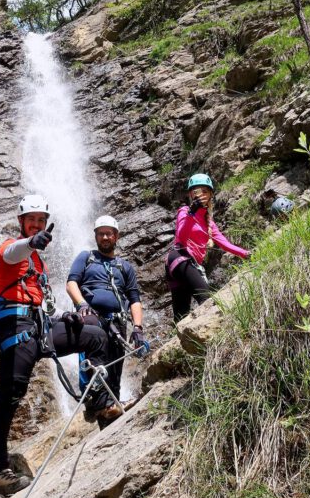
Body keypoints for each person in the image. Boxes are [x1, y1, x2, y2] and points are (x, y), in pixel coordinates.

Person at [0, 194, 121, 495]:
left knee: (95, 333)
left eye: (40, 220)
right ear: (22, 222)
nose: (36, 224)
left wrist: (69, 316)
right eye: (31, 220)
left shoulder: (37, 264)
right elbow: (14, 252)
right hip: (16, 329)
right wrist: (32, 242)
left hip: (40, 327)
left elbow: (45, 305)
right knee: (11, 393)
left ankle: (99, 404)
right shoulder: (11, 248)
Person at [66, 215, 149, 427]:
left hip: (118, 323)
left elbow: (134, 299)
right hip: (91, 318)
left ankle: (110, 422)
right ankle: (95, 402)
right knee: (95, 363)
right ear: (95, 236)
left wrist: (137, 327)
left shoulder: (125, 267)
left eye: (109, 233)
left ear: (116, 236)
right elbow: (71, 283)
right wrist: (82, 305)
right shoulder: (86, 257)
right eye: (101, 233)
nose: (105, 236)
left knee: (114, 373)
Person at [166, 174, 250, 322]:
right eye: (197, 191)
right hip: (180, 256)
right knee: (206, 298)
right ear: (191, 195)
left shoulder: (209, 222)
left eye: (205, 191)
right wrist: (192, 212)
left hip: (181, 265)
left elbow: (224, 243)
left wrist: (245, 254)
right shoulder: (185, 211)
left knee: (181, 314)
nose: (202, 195)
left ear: (211, 194)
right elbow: (181, 237)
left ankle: (180, 341)